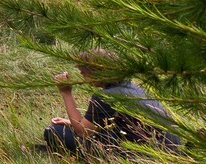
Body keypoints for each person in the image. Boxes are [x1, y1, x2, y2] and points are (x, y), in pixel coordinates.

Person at [44, 50, 181, 155]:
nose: (83, 77)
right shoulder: (132, 87)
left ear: (96, 73)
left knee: (54, 131)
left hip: (145, 155)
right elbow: (116, 123)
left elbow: (82, 132)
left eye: (83, 73)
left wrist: (66, 92)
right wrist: (70, 123)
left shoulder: (105, 96)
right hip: (172, 149)